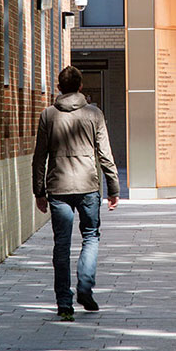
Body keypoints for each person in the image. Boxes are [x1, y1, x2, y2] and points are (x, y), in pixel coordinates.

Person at [32, 65, 120, 320]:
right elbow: (105, 154)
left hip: (57, 188)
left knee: (61, 244)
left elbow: (40, 157)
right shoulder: (94, 114)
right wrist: (114, 188)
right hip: (88, 186)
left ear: (59, 87)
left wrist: (39, 191)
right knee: (91, 236)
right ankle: (84, 286)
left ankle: (64, 304)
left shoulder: (48, 115)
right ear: (81, 87)